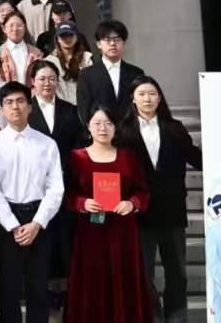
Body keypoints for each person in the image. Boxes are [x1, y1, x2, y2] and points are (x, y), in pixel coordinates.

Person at [118, 76, 202, 323]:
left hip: (172, 210)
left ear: (160, 98)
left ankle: (177, 318)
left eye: (152, 93)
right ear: (133, 98)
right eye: (142, 94)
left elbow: (196, 158)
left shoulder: (175, 128)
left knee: (178, 272)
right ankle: (151, 317)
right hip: (138, 213)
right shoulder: (122, 131)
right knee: (143, 274)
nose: (148, 98)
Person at [0, 82, 64, 323]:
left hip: (40, 217)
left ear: (30, 107)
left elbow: (56, 188)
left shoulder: (47, 144)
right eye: (9, 103)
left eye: (20, 101)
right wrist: (12, 224)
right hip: (8, 219)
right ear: (2, 110)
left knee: (39, 284)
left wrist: (37, 223)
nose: (15, 107)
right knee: (9, 284)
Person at [63, 105, 151, 323]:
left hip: (123, 232)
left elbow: (142, 191)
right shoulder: (76, 158)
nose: (103, 128)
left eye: (108, 123)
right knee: (92, 280)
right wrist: (82, 203)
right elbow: (65, 193)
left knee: (124, 279)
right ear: (88, 127)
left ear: (116, 128)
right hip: (89, 230)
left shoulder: (128, 157)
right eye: (97, 123)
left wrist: (132, 203)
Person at [25, 61, 84, 310]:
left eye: (51, 78)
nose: (47, 83)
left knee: (65, 236)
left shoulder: (71, 110)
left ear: (57, 81)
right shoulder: (25, 110)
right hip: (35, 186)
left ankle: (66, 288)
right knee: (43, 237)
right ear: (33, 82)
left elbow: (79, 145)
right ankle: (46, 289)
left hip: (66, 183)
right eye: (42, 79)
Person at [76, 20, 144, 122]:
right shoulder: (86, 74)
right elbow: (84, 109)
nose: (112, 43)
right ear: (98, 44)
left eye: (117, 39)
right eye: (107, 39)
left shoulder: (136, 73)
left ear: (124, 42)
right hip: (101, 129)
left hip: (131, 129)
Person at [43, 22, 93, 105]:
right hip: (59, 107)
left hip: (84, 105)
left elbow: (92, 86)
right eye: (63, 36)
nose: (67, 39)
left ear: (76, 38)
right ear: (57, 39)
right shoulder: (49, 61)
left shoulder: (86, 59)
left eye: (70, 35)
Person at [0, 12, 42, 84]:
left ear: (25, 28)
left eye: (19, 25)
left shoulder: (36, 53)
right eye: (11, 25)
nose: (15, 29)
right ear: (4, 29)